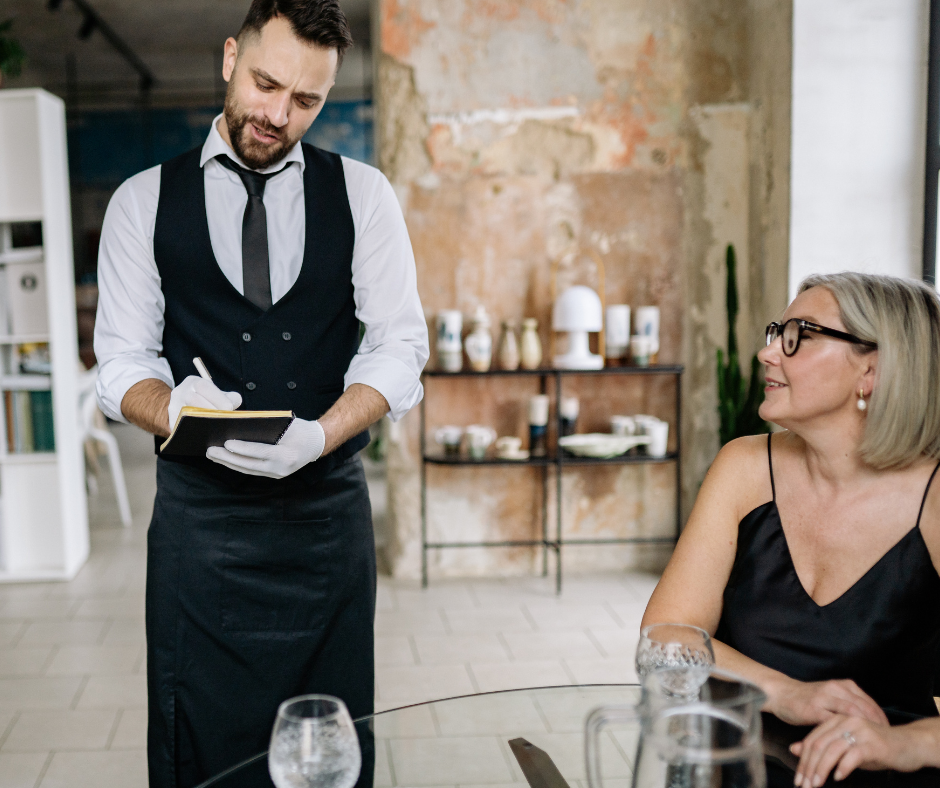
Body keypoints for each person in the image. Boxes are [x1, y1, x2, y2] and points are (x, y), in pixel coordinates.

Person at [93, 1, 428, 785]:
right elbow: (119, 366)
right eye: (265, 83)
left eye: (305, 100)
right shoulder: (141, 203)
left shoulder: (365, 195)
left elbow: (399, 347)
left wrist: (321, 432)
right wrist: (173, 407)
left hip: (326, 525)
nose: (277, 114)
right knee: (200, 748)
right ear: (228, 59)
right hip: (199, 532)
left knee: (331, 747)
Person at [642, 272, 940, 786]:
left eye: (799, 335)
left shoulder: (935, 499)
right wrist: (784, 692)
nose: (768, 353)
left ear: (871, 369)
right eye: (776, 331)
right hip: (738, 768)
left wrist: (902, 743)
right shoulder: (743, 466)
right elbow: (665, 637)